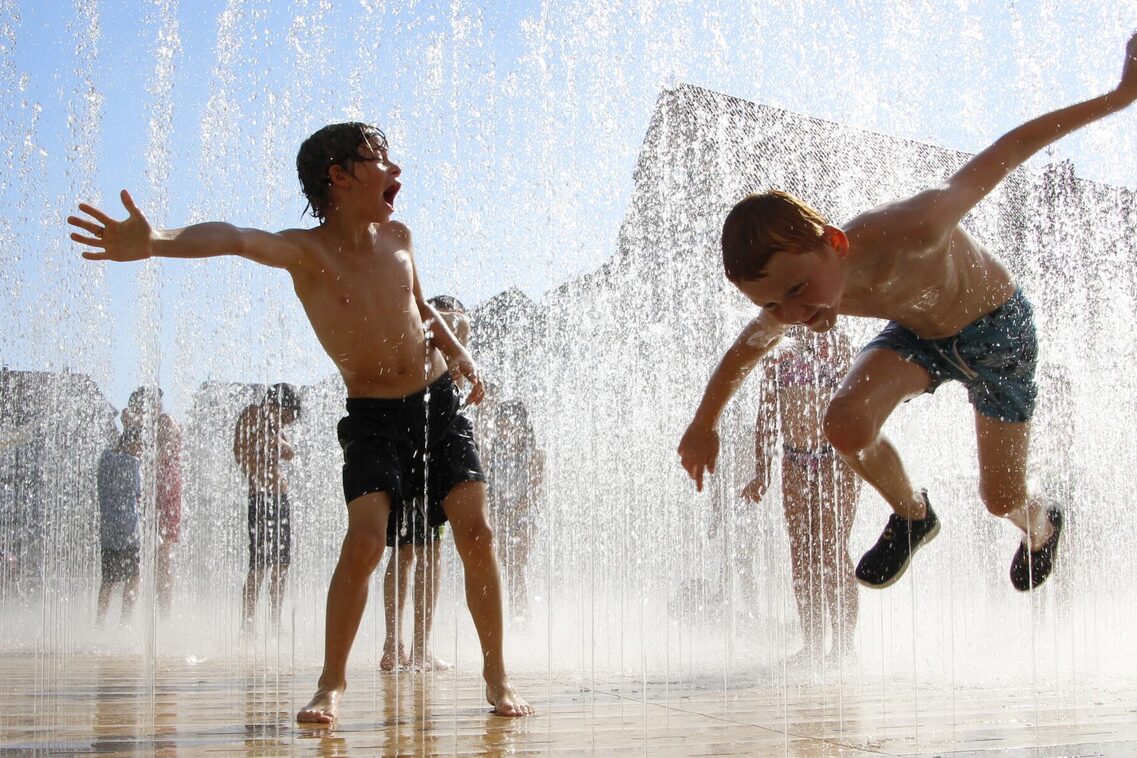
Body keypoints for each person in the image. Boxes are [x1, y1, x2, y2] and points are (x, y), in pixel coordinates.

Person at [69, 122, 532, 720]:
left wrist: (461, 354)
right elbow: (234, 237)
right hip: (372, 417)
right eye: (379, 161)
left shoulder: (399, 236)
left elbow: (421, 310)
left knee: (477, 534)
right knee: (366, 542)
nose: (395, 171)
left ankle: (496, 675)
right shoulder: (305, 253)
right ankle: (332, 682)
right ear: (338, 176)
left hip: (436, 400)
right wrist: (155, 239)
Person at [679, 35, 1137, 595]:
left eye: (796, 290)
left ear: (836, 244)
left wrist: (1118, 98)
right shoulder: (805, 296)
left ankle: (1041, 525)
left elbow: (1010, 149)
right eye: (773, 304)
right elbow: (744, 353)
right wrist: (704, 424)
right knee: (844, 423)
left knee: (999, 499)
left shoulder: (915, 229)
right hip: (919, 337)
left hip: (999, 334)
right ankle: (914, 515)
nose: (791, 313)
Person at [738, 327, 859, 665]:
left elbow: (860, 400)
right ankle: (812, 643)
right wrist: (762, 472)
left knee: (831, 550)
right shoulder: (778, 349)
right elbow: (767, 415)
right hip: (794, 460)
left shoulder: (837, 342)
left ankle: (844, 647)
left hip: (836, 459)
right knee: (802, 555)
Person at [379, 295, 468, 672]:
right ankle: (414, 648)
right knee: (424, 553)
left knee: (406, 551)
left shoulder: (407, 337)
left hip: (401, 445)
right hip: (423, 449)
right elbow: (456, 333)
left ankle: (396, 645)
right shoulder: (436, 328)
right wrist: (457, 327)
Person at [233, 383, 300, 632]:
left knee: (282, 564)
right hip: (260, 498)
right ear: (275, 405)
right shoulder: (252, 413)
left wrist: (277, 438)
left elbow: (289, 451)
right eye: (285, 416)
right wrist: (273, 440)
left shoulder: (273, 425)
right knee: (259, 563)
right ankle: (248, 623)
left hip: (279, 498)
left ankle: (274, 621)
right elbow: (240, 451)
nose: (285, 423)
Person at [121, 386, 182, 618]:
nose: (138, 412)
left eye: (140, 407)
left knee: (162, 555)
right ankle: (133, 614)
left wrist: (136, 423)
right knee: (140, 553)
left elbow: (162, 454)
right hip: (149, 493)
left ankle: (164, 615)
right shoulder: (146, 427)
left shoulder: (165, 421)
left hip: (166, 493)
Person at [485, 399, 543, 622]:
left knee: (515, 564)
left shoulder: (535, 455)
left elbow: (534, 493)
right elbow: (487, 488)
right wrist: (497, 512)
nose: (503, 429)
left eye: (507, 424)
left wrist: (512, 513)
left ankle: (521, 615)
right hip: (500, 516)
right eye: (500, 424)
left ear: (521, 426)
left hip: (524, 517)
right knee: (508, 569)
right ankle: (517, 614)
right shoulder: (494, 454)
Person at [96, 427, 143, 625]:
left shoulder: (105, 459)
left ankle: (99, 622)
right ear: (131, 445)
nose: (140, 451)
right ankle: (125, 623)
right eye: (139, 446)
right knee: (133, 577)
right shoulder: (133, 463)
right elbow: (138, 494)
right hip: (128, 529)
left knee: (108, 580)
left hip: (108, 529)